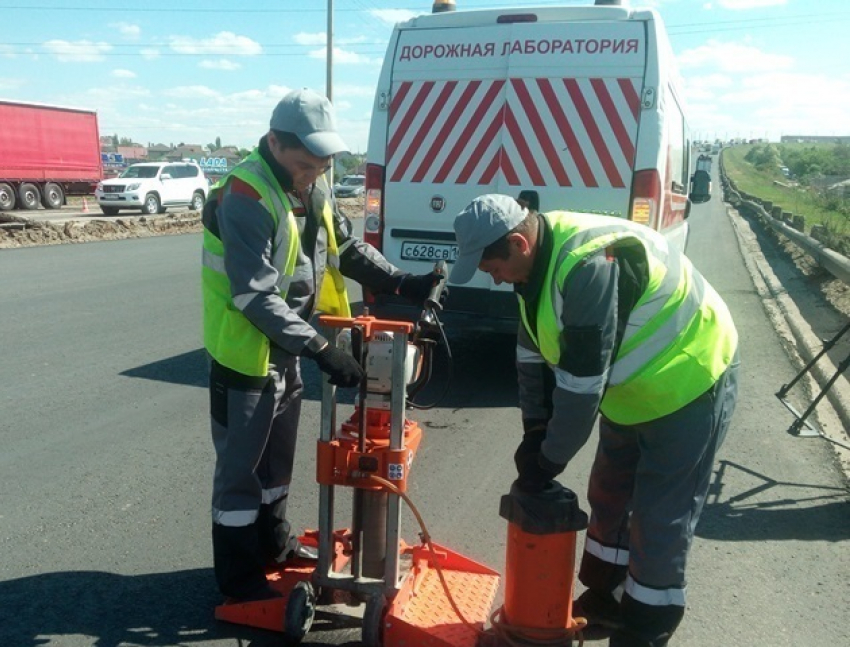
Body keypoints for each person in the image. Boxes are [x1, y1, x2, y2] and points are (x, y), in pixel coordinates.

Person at [450, 194, 739, 647]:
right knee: (609, 493)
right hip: (633, 394)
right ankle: (605, 601)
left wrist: (549, 461)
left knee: (659, 518)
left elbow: (581, 387)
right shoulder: (532, 271)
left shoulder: (588, 267)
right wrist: (535, 432)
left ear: (518, 244)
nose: (494, 278)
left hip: (690, 380)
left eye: (493, 267)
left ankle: (644, 628)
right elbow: (531, 358)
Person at [201, 88, 441, 602]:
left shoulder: (315, 185)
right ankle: (239, 578)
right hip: (245, 356)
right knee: (241, 472)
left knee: (276, 465)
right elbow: (254, 295)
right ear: (273, 143)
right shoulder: (243, 195)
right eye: (303, 164)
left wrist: (401, 281)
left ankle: (274, 546)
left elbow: (344, 247)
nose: (313, 174)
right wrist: (320, 349)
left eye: (321, 165)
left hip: (285, 353)